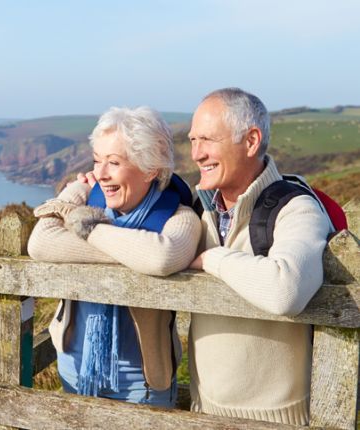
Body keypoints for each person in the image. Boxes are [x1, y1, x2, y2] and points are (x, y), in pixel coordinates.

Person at [28, 106, 201, 407]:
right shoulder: (89, 196)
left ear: (151, 168)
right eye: (97, 161)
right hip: (75, 368)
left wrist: (85, 228)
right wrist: (78, 187)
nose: (101, 174)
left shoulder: (179, 217)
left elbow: (161, 257)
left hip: (142, 383)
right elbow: (40, 243)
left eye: (114, 162)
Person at [187, 88, 332, 425]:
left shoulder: (297, 208)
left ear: (251, 141)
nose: (196, 154)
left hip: (274, 418)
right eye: (193, 140)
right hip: (201, 410)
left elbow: (287, 290)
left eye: (206, 140)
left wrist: (213, 259)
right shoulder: (200, 209)